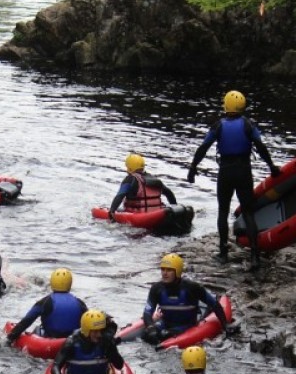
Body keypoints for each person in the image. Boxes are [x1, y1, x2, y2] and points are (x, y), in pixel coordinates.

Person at [186, 90, 281, 269]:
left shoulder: (218, 126)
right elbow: (260, 147)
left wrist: (193, 168)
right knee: (248, 212)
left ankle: (223, 254)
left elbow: (203, 147)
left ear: (226, 106)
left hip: (226, 171)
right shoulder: (248, 124)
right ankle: (255, 256)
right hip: (244, 171)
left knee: (223, 211)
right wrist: (272, 167)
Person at [140, 253, 237, 344]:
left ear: (177, 271)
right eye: (163, 269)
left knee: (164, 335)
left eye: (169, 270)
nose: (164, 273)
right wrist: (150, 327)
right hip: (166, 323)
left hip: (187, 325)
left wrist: (225, 324)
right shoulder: (156, 289)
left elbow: (214, 304)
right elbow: (147, 313)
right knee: (145, 335)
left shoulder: (192, 287)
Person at [51, 309, 126, 374]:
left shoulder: (105, 342)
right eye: (95, 331)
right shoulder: (71, 343)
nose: (99, 334)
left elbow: (119, 365)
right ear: (86, 330)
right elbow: (55, 366)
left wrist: (111, 348)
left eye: (101, 331)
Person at [5, 268, 88, 343]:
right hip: (73, 340)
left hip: (50, 341)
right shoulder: (80, 303)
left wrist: (10, 338)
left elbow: (26, 321)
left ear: (52, 283)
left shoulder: (45, 302)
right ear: (69, 284)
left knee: (37, 329)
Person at [107, 153, 178, 220]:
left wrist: (112, 211)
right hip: (157, 213)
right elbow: (169, 193)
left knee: (110, 209)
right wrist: (175, 207)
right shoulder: (153, 178)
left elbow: (120, 195)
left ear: (130, 168)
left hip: (140, 215)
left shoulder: (130, 179)